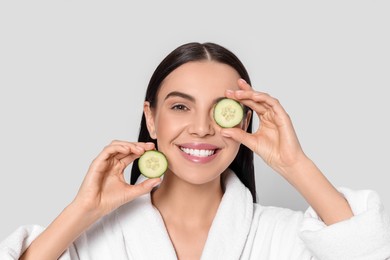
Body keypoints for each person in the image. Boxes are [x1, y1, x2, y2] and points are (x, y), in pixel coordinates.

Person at [1, 42, 390, 260]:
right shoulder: (91, 241)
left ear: (244, 121)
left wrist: (295, 164)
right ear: (151, 119)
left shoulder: (284, 238)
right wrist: (82, 210)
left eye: (222, 110)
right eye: (181, 107)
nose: (202, 128)